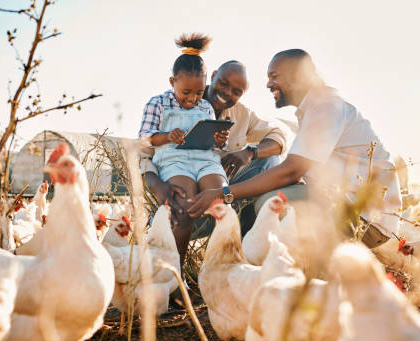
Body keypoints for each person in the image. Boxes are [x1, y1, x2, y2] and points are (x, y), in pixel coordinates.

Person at [187, 49, 402, 248]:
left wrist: (224, 193)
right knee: (266, 191)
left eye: (274, 76)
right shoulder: (316, 108)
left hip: (363, 219)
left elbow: (291, 170)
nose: (268, 85)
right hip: (344, 205)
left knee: (269, 203)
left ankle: (266, 268)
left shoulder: (325, 106)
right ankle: (247, 261)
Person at [141, 60, 289, 252]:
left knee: (269, 160)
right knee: (182, 210)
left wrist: (249, 152)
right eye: (224, 83)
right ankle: (172, 272)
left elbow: (278, 136)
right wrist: (158, 187)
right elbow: (142, 154)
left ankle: (240, 249)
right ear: (213, 76)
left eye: (236, 91)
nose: (227, 93)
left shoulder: (241, 114)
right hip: (177, 196)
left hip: (219, 194)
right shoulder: (168, 103)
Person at [137, 33, 230, 263]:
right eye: (185, 92)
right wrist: (167, 136)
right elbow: (144, 138)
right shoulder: (157, 103)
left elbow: (215, 146)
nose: (192, 99)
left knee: (224, 205)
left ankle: (220, 268)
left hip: (206, 160)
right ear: (172, 82)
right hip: (174, 160)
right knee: (183, 209)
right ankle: (175, 273)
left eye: (198, 92)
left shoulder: (206, 106)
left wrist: (219, 139)